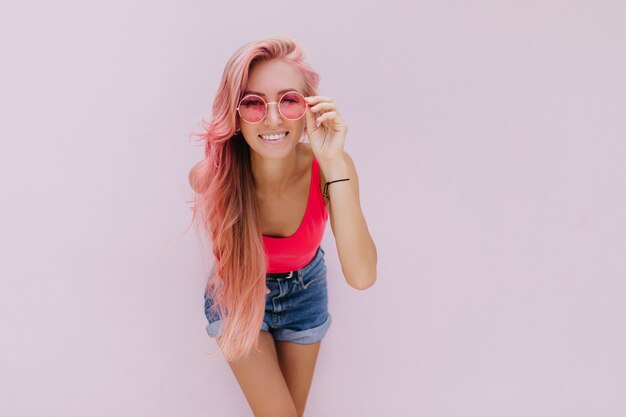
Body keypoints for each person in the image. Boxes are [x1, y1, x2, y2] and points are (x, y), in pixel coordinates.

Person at [188, 36, 377, 417]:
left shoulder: (332, 169)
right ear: (236, 115)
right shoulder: (211, 178)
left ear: (310, 109)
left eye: (288, 101)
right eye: (253, 103)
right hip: (239, 290)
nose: (273, 119)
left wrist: (334, 164)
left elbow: (361, 276)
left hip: (305, 295)